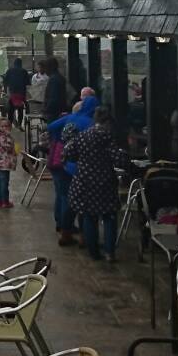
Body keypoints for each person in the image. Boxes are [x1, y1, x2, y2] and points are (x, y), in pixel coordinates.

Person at [63, 107, 124, 260]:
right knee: (109, 216)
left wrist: (82, 160)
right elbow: (118, 159)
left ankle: (93, 252)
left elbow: (69, 154)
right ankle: (110, 252)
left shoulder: (82, 136)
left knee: (89, 216)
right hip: (105, 182)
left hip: (84, 181)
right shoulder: (108, 137)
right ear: (107, 121)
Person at [45, 88, 99, 246]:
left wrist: (59, 139)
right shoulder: (91, 124)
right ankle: (85, 237)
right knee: (83, 203)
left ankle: (64, 230)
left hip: (64, 162)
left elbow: (50, 127)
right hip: (82, 166)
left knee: (64, 197)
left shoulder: (70, 118)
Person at [0, 112, 19, 209]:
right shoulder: (3, 137)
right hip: (4, 163)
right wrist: (10, 137)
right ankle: (5, 201)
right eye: (2, 126)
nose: (5, 128)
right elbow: (8, 147)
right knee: (4, 183)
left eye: (7, 126)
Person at [4, 57, 31, 123]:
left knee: (11, 109)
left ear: (14, 64)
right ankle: (20, 122)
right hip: (21, 94)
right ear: (21, 64)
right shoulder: (24, 71)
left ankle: (10, 122)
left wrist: (6, 91)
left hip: (12, 93)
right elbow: (28, 83)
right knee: (21, 108)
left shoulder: (9, 70)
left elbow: (5, 82)